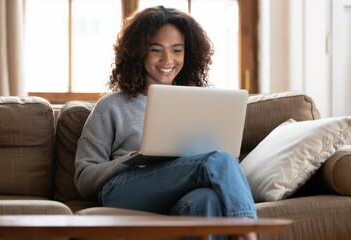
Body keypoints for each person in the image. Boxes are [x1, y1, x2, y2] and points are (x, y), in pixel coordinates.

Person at [74, 6, 257, 240]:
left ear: (187, 55)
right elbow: (84, 178)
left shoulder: (198, 104)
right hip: (124, 190)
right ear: (138, 53)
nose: (168, 60)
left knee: (206, 200)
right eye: (156, 50)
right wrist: (134, 159)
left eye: (177, 50)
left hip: (181, 192)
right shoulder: (112, 106)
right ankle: (249, 234)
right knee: (217, 159)